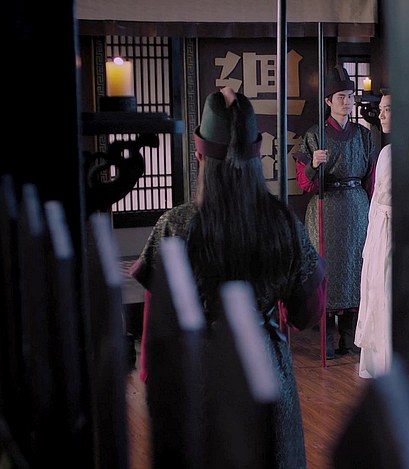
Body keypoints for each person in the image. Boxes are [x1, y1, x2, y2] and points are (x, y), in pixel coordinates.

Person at [130, 86, 325, 467]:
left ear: (200, 155)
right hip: (264, 366)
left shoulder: (175, 226)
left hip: (197, 370)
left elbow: (155, 333)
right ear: (256, 155)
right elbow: (308, 311)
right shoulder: (282, 223)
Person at [293, 66, 377, 359]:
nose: (347, 102)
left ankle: (351, 336)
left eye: (350, 97)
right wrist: (313, 165)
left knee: (356, 267)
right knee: (326, 270)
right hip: (326, 207)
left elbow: (371, 178)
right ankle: (326, 336)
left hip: (356, 208)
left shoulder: (363, 135)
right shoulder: (315, 136)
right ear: (328, 101)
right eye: (341, 97)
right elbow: (304, 183)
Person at [355, 89, 392, 378]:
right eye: (380, 109)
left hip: (391, 228)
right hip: (380, 226)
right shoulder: (386, 152)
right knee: (377, 290)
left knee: (387, 292)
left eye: (387, 109)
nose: (381, 115)